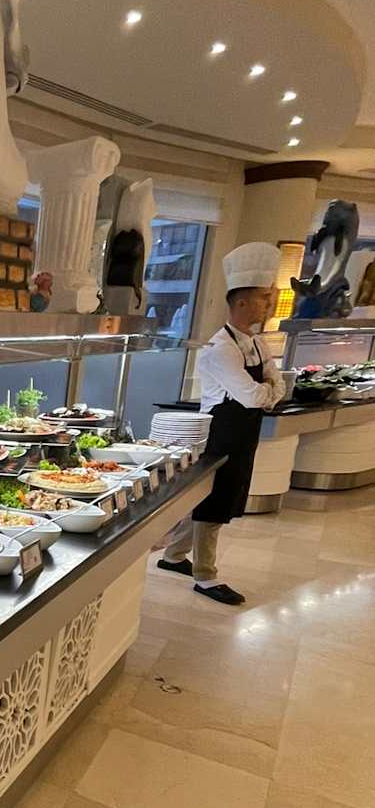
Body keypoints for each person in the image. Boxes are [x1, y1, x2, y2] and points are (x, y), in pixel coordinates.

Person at [158, 241, 291, 605]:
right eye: (264, 297)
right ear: (242, 302)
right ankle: (206, 576)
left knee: (214, 498)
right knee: (213, 504)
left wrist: (268, 389)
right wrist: (268, 389)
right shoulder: (221, 349)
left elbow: (276, 385)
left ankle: (173, 556)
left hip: (243, 434)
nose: (268, 304)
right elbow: (254, 395)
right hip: (220, 435)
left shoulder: (256, 344)